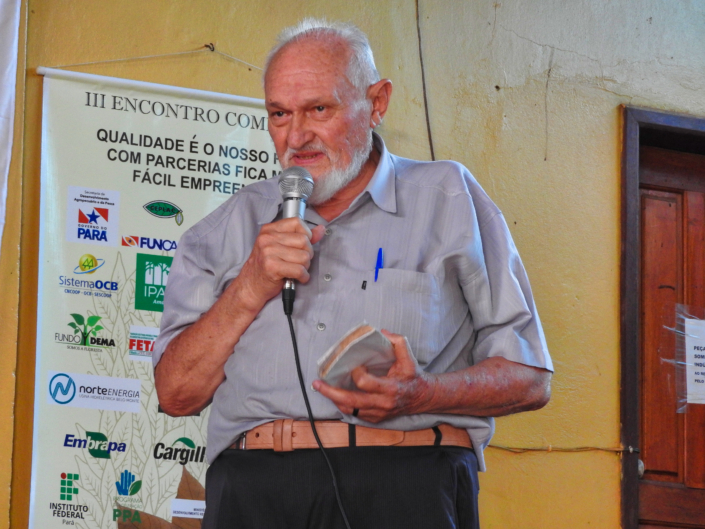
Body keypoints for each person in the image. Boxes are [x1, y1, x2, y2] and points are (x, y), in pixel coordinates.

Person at [153, 18, 553, 529]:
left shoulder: (448, 198)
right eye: (279, 114)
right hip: (255, 492)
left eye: (319, 109)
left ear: (377, 103)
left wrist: (424, 393)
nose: (296, 136)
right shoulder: (224, 228)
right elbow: (176, 394)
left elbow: (529, 379)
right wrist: (249, 286)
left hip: (408, 482)